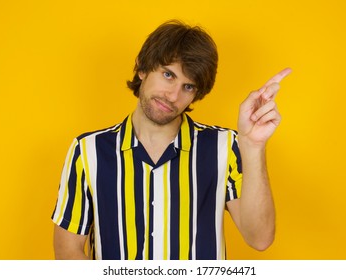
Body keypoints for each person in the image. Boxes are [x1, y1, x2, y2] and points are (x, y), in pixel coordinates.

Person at [51, 19, 291, 260]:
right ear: (142, 68)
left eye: (188, 86)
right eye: (168, 75)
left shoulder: (225, 146)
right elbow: (67, 250)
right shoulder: (88, 150)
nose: (173, 95)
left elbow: (259, 238)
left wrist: (253, 146)